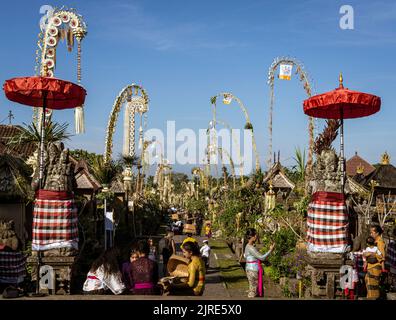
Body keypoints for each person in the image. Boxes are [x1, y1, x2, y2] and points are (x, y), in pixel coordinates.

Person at [244, 228, 275, 298]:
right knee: (253, 291)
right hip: (253, 270)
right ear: (251, 237)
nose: (256, 237)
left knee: (253, 288)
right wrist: (270, 250)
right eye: (255, 235)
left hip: (250, 269)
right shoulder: (251, 248)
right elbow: (262, 257)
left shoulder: (248, 246)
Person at [365, 225, 386, 299]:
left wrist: (371, 253)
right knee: (369, 286)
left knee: (373, 289)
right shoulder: (374, 242)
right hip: (370, 267)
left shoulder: (380, 242)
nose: (371, 234)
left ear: (377, 233)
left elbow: (382, 256)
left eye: (372, 233)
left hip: (375, 267)